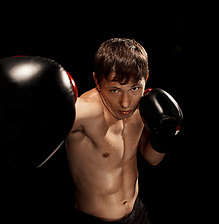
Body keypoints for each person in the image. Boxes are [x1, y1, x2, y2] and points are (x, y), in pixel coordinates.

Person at [65, 38, 183, 223]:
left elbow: (152, 159)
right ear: (97, 80)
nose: (126, 103)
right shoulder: (83, 111)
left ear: (147, 79)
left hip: (137, 213)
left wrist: (163, 135)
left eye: (135, 88)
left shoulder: (144, 107)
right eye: (114, 90)